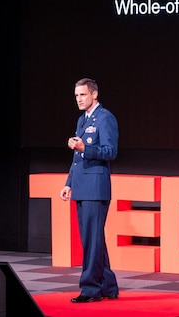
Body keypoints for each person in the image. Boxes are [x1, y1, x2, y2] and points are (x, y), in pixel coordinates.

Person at [60, 78, 120, 303]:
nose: (79, 99)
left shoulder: (105, 117)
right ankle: (108, 286)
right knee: (92, 240)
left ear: (94, 94)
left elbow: (110, 151)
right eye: (76, 96)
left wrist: (86, 147)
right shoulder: (82, 119)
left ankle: (90, 290)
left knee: (91, 241)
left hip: (95, 187)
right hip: (82, 186)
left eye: (82, 95)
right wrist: (69, 183)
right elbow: (77, 158)